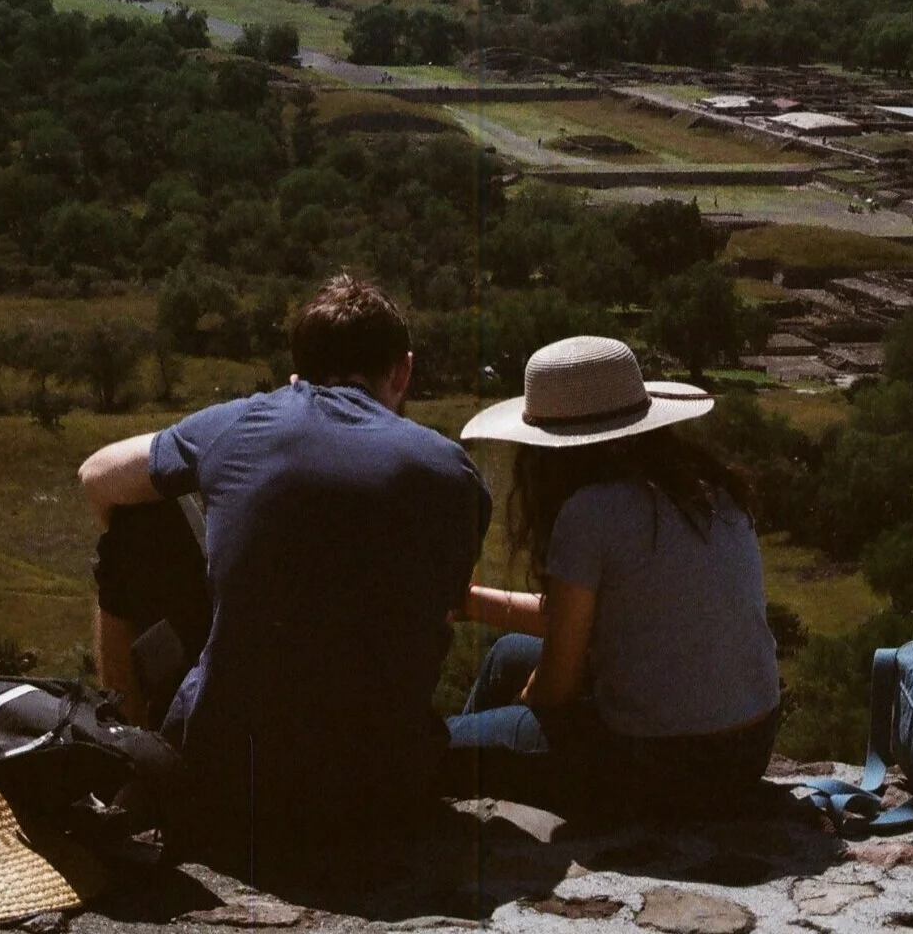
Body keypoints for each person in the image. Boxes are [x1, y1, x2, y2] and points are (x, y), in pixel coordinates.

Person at [78, 273, 491, 852]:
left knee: (133, 526)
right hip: (385, 792)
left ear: (297, 372)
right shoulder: (454, 473)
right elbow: (437, 614)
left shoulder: (241, 421)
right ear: (402, 372)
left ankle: (132, 758)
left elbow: (97, 476)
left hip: (229, 786)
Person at [445, 334, 780, 816]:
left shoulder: (591, 511)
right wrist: (473, 603)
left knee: (437, 744)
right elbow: (597, 617)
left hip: (657, 764)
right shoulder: (710, 494)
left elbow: (555, 690)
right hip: (748, 750)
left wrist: (524, 701)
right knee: (507, 653)